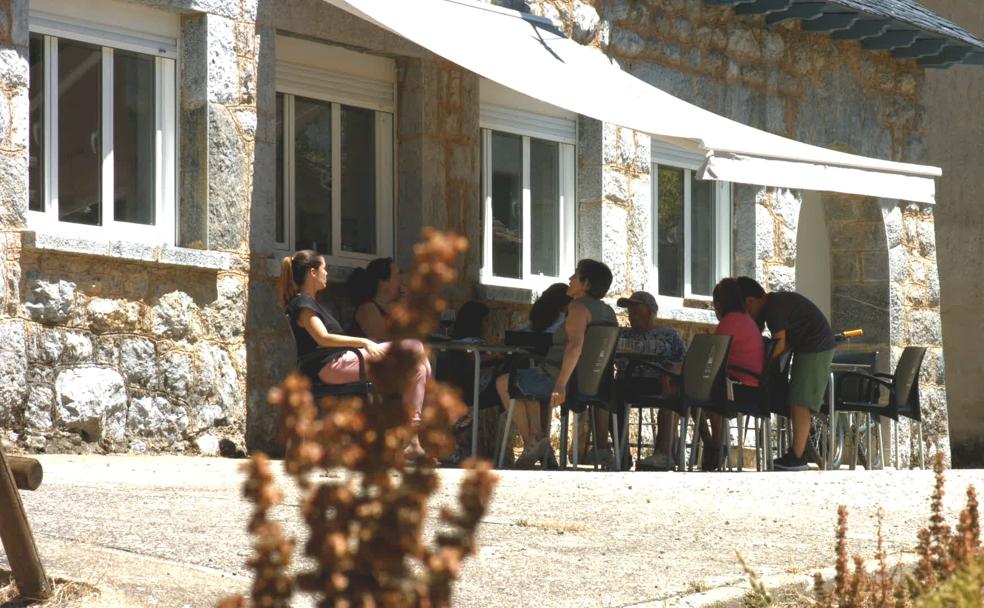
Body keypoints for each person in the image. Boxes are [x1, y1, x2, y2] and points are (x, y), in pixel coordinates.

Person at [280, 250, 431, 456]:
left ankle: (412, 437)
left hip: (340, 362)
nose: (327, 273)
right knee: (414, 348)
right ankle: (411, 436)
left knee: (418, 366)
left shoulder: (311, 303)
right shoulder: (302, 303)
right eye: (324, 268)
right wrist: (364, 342)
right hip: (329, 366)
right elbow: (322, 338)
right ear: (312, 273)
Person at [498, 260, 618, 469]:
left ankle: (532, 442)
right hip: (594, 384)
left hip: (562, 379)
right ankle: (537, 441)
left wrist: (560, 384)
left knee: (503, 382)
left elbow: (575, 346)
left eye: (575, 275)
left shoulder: (578, 308)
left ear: (586, 283)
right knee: (527, 380)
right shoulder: (608, 312)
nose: (570, 279)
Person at [736, 276, 835, 472]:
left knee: (800, 400)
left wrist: (761, 360)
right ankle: (800, 449)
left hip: (815, 346)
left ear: (750, 301)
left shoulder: (773, 308)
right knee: (796, 398)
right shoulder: (774, 303)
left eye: (745, 311)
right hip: (808, 346)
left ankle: (797, 457)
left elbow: (779, 343)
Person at [492, 283, 571, 469]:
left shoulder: (557, 322)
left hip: (550, 378)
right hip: (557, 377)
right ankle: (540, 447)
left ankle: (533, 442)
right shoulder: (565, 321)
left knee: (507, 382)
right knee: (524, 377)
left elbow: (520, 335)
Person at [615, 291, 686, 472]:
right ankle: (619, 452)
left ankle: (664, 452)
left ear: (651, 311)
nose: (631, 315)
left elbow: (685, 361)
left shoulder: (668, 334)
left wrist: (671, 371)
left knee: (673, 387)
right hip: (627, 381)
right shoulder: (623, 334)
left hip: (658, 380)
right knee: (607, 391)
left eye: (636, 309)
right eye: (629, 310)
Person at [699, 278, 765, 472]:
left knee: (694, 391)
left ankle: (715, 446)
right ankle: (712, 445)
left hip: (740, 388)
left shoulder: (730, 322)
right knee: (701, 391)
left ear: (720, 303)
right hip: (752, 387)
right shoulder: (746, 321)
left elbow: (713, 356)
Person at [348, 257, 401, 342]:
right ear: (383, 282)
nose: (400, 280)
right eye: (397, 275)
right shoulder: (367, 308)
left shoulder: (391, 310)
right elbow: (384, 343)